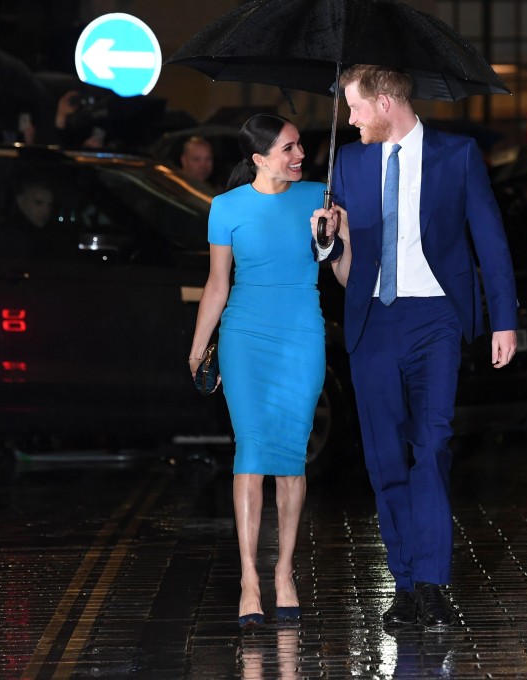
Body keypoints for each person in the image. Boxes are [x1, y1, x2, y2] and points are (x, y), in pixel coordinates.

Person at [312, 65, 519, 628]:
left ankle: (431, 581)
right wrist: (330, 245)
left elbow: (490, 241)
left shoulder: (457, 155)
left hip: (436, 320)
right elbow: (348, 271)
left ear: (384, 103)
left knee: (432, 446)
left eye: (355, 107)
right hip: (373, 320)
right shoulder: (350, 162)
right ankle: (404, 583)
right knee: (384, 459)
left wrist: (504, 321)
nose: (350, 119)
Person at [188, 114, 326, 629]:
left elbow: (344, 273)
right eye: (288, 148)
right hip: (245, 337)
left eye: (300, 146)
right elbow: (218, 283)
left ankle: (284, 572)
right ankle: (249, 578)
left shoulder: (320, 196)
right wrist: (198, 349)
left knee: (291, 457)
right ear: (259, 158)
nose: (299, 156)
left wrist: (335, 238)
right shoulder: (225, 208)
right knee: (251, 451)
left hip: (301, 334)